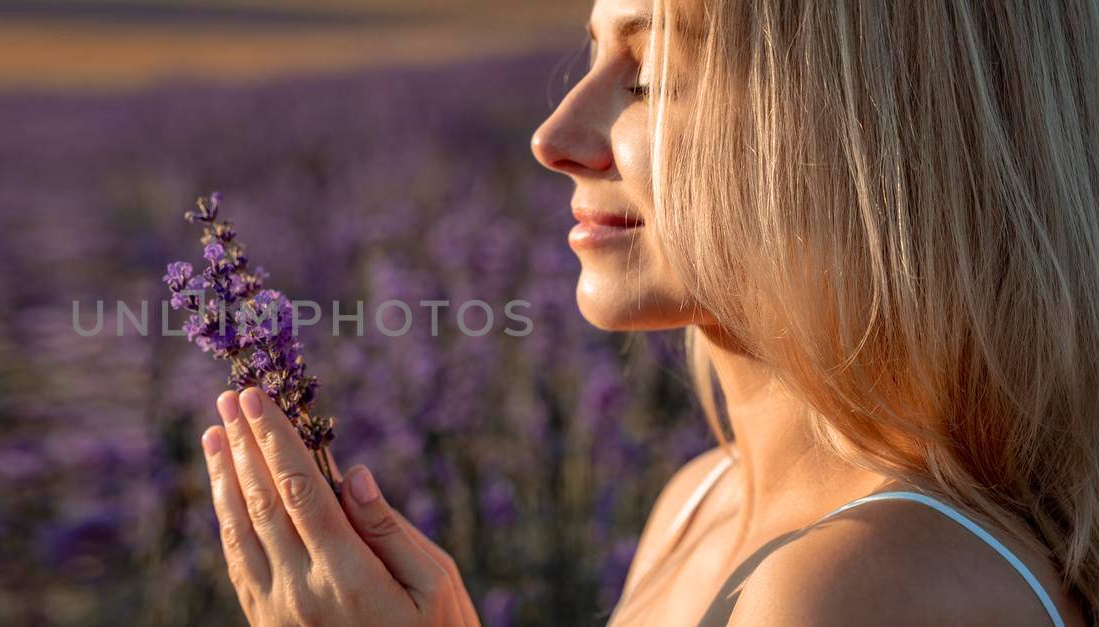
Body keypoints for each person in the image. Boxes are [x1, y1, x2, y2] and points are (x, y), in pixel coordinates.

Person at [197, 0, 1099, 623]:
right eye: (593, 53)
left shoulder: (850, 585)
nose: (554, 139)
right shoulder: (697, 502)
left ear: (862, 126)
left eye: (652, 74)